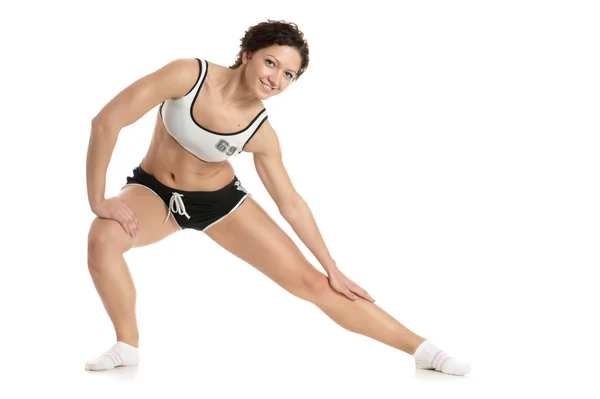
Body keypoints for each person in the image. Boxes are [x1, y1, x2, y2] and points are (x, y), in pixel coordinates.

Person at [85, 19, 471, 376]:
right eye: (271, 63)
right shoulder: (189, 74)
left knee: (315, 285)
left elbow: (291, 203)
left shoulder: (260, 134)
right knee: (102, 238)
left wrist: (331, 267)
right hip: (155, 194)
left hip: (220, 203)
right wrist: (98, 199)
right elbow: (107, 121)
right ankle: (127, 344)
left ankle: (425, 351)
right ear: (248, 53)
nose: (276, 79)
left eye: (288, 74)